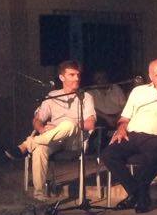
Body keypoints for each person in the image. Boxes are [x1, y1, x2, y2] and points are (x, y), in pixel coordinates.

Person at [102, 58, 157, 214]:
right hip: (132, 135)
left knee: (151, 159)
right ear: (150, 77)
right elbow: (124, 118)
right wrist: (121, 128)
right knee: (108, 154)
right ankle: (139, 195)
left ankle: (136, 197)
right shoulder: (139, 91)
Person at [5, 60, 96, 201]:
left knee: (69, 124)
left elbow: (90, 124)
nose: (77, 78)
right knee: (40, 148)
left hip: (75, 141)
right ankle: (39, 194)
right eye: (72, 75)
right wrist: (42, 129)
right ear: (62, 77)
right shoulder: (52, 96)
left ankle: (27, 144)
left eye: (78, 75)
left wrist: (64, 125)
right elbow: (37, 119)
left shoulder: (86, 97)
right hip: (53, 138)